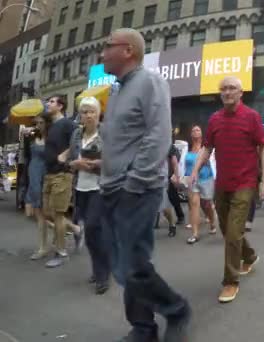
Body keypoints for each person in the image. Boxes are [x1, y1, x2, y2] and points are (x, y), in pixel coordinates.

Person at [99, 28, 191, 341]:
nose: (102, 53)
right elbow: (120, 141)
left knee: (132, 265)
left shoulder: (150, 82)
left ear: (128, 51)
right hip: (111, 188)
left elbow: (158, 136)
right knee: (124, 264)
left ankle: (176, 309)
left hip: (138, 188)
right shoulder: (115, 90)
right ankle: (143, 328)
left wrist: (134, 181)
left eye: (107, 47)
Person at [192, 76, 264, 304]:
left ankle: (230, 281)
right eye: (223, 89)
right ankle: (250, 256)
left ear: (240, 93)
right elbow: (207, 148)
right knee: (228, 230)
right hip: (222, 184)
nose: (227, 92)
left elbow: (263, 148)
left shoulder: (252, 117)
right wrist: (196, 168)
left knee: (234, 232)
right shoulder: (215, 119)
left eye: (232, 88)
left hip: (245, 183)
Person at [67, 97, 111, 295]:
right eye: (84, 112)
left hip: (100, 188)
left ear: (98, 113)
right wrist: (74, 164)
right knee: (92, 233)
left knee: (93, 228)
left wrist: (97, 164)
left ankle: (102, 276)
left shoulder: (106, 132)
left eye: (91, 111)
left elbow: (116, 158)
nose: (88, 115)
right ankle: (100, 267)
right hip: (80, 188)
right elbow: (70, 160)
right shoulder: (77, 134)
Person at [42, 95, 83, 268]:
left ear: (60, 106)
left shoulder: (67, 124)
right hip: (49, 173)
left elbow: (79, 137)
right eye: (48, 101)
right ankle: (76, 229)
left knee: (58, 215)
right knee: (47, 213)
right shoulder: (51, 126)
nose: (47, 104)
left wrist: (65, 155)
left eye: (51, 102)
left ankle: (61, 252)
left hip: (62, 174)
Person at [184, 125, 216, 244]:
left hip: (206, 178)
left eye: (198, 130)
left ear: (201, 134)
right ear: (191, 135)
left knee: (207, 204)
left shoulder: (207, 148)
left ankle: (212, 222)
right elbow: (184, 164)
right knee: (194, 205)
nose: (195, 132)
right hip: (192, 180)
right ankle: (195, 233)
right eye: (193, 130)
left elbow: (213, 162)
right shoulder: (187, 149)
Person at [27, 115, 50, 260]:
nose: (39, 125)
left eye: (42, 122)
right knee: (36, 212)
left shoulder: (51, 138)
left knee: (48, 213)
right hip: (32, 174)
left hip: (44, 175)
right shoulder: (32, 136)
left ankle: (43, 248)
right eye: (37, 123)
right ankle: (43, 247)